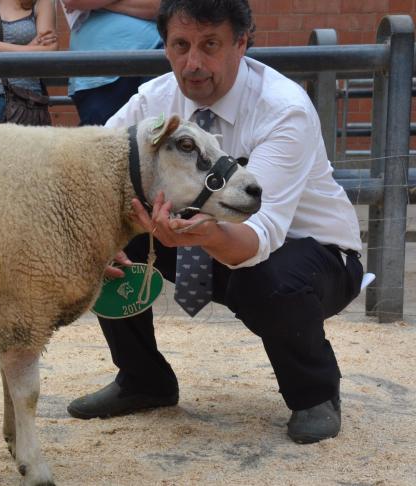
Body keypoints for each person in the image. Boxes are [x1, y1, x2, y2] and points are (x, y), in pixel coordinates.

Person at [67, 0, 364, 445]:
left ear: (241, 43)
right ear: (164, 46)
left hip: (312, 255)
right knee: (103, 239)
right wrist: (101, 234)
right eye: (181, 45)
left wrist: (203, 233)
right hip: (199, 237)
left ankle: (314, 394)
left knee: (267, 279)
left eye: (211, 45)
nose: (193, 63)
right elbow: (92, 169)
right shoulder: (152, 100)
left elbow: (261, 233)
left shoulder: (283, 108)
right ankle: (144, 380)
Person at [60, 0, 162, 126]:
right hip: (97, 72)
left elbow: (158, 6)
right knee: (105, 142)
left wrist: (96, 5)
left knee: (156, 136)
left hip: (153, 57)